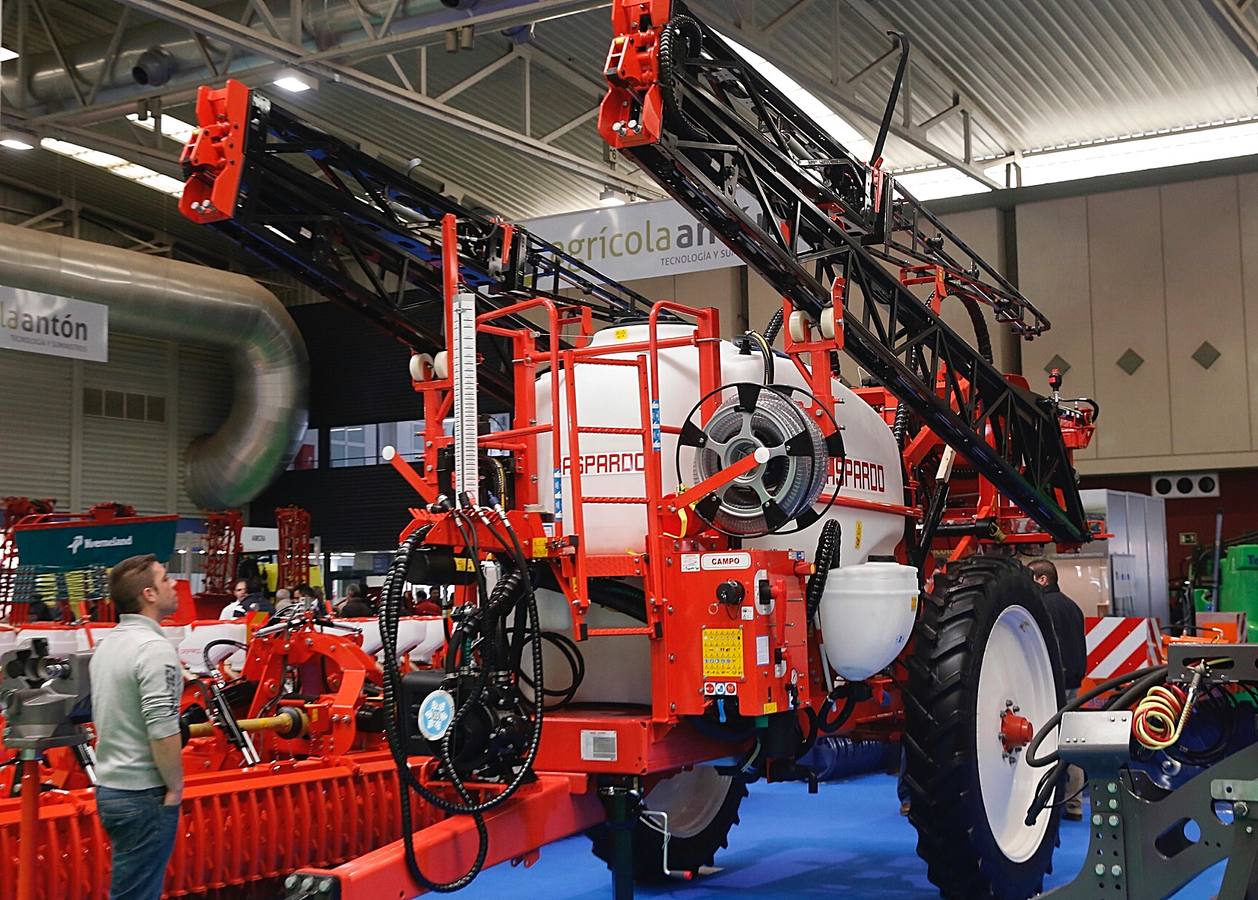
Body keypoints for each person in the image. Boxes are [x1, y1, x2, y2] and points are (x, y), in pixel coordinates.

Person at [90, 554, 184, 900]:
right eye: (165, 579)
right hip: (144, 793)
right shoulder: (154, 649)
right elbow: (161, 727)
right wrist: (174, 787)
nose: (174, 584)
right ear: (149, 594)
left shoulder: (107, 645)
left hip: (111, 789)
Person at [1028, 557, 1088, 820]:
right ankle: (1073, 804)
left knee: (1043, 742)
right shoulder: (1073, 607)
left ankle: (1043, 803)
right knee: (1071, 741)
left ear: (1042, 579)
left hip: (1050, 684)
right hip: (1073, 682)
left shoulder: (1040, 607)